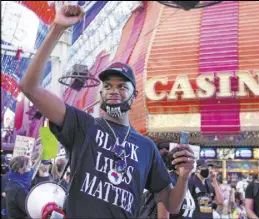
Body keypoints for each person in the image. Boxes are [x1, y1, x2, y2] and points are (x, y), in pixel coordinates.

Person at [19, 4, 195, 218]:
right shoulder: (82, 125)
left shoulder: (147, 147)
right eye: (108, 86)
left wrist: (184, 176)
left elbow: (172, 204)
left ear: (134, 94)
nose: (114, 90)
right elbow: (30, 87)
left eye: (122, 86)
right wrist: (57, 28)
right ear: (100, 92)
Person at [157, 143, 197, 219]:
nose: (193, 162)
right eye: (190, 158)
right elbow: (163, 216)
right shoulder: (169, 180)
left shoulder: (184, 181)